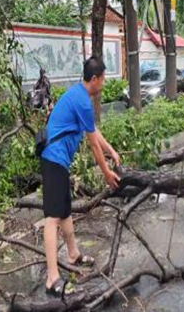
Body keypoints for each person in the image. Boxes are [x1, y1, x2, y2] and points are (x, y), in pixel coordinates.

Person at [40, 57, 121, 298]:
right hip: (53, 158)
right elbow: (93, 145)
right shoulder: (82, 101)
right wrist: (107, 173)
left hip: (58, 160)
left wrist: (113, 152)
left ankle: (73, 254)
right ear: (94, 79)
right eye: (103, 79)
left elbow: (94, 131)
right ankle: (52, 277)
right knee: (52, 218)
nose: (104, 84)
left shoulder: (78, 94)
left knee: (64, 211)